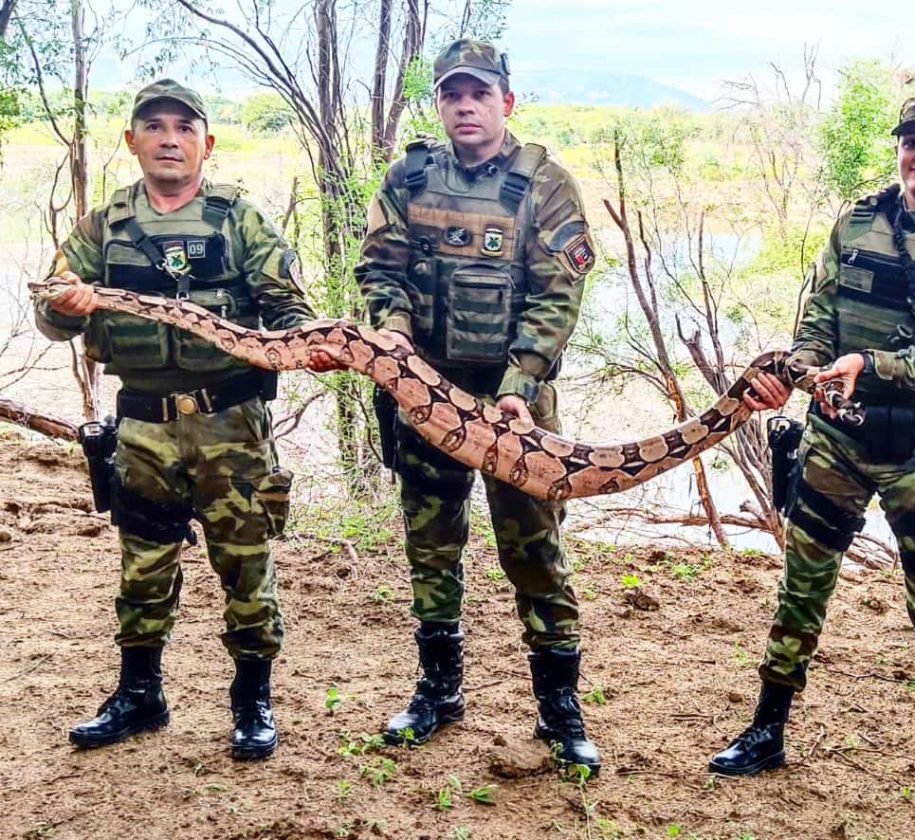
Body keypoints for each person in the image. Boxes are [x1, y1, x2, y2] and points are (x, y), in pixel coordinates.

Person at [709, 96, 915, 833]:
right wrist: (801, 365)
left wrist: (865, 362)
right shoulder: (855, 223)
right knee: (801, 591)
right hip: (835, 444)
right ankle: (767, 730)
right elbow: (815, 320)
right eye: (911, 142)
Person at [309, 39, 600, 774]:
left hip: (515, 407)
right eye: (451, 94)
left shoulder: (547, 184)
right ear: (439, 104)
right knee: (431, 545)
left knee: (534, 550)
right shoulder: (409, 178)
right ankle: (438, 692)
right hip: (424, 394)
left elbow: (557, 295)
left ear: (508, 100)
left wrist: (519, 385)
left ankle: (559, 710)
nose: (465, 106)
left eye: (479, 93)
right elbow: (380, 268)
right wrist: (397, 341)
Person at [35, 79, 314, 760]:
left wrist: (305, 341)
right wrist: (61, 308)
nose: (168, 138)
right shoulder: (104, 226)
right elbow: (50, 314)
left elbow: (291, 311)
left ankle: (252, 701)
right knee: (143, 564)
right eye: (154, 126)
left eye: (184, 128)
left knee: (245, 562)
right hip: (143, 426)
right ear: (132, 141)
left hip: (232, 422)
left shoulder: (240, 221)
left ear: (206, 143)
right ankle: (140, 694)